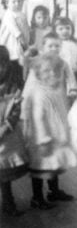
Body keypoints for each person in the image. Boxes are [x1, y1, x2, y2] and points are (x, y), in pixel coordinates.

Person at [22, 53, 77, 208]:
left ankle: (54, 191)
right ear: (38, 74)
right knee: (40, 167)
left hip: (55, 134)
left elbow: (60, 111)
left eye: (55, 70)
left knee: (54, 163)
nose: (52, 74)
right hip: (43, 137)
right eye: (46, 71)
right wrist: (43, 138)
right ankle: (37, 197)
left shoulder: (54, 90)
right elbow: (38, 117)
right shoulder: (39, 93)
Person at [0, 45, 28, 216]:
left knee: (3, 171)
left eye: (1, 65)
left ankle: (8, 202)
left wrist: (5, 127)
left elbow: (16, 110)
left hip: (6, 135)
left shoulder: (12, 88)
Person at [23, 32, 77, 99]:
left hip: (57, 92)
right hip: (41, 93)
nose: (54, 49)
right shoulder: (39, 60)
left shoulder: (63, 63)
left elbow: (70, 76)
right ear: (43, 47)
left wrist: (73, 89)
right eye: (50, 46)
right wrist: (28, 53)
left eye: (57, 46)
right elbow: (29, 71)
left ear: (61, 47)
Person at [0, 0, 30, 79]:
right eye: (14, 2)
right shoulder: (8, 15)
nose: (17, 4)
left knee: (20, 59)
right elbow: (14, 29)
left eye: (19, 1)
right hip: (11, 40)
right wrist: (20, 38)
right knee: (12, 56)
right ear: (7, 3)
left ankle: (18, 78)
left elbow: (25, 28)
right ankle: (9, 77)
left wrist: (26, 38)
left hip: (21, 40)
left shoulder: (22, 14)